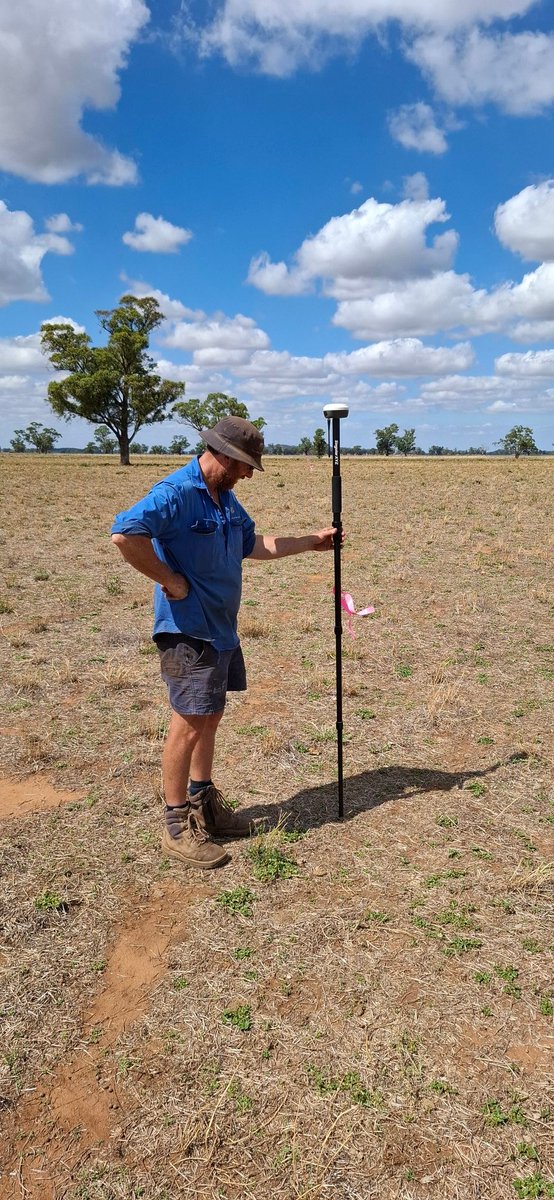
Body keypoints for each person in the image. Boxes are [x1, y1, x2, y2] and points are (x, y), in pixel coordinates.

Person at [111, 416, 339, 870]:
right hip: (187, 632)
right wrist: (169, 579)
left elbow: (255, 544)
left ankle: (204, 803)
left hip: (221, 629)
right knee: (190, 722)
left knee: (210, 716)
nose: (248, 474)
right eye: (245, 465)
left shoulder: (227, 500)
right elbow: (125, 533)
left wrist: (313, 542)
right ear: (222, 454)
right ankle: (177, 824)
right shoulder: (176, 493)